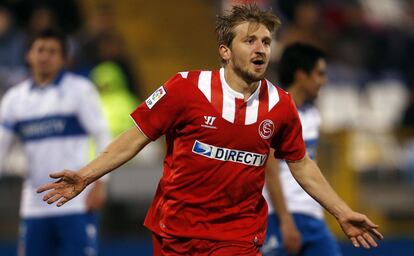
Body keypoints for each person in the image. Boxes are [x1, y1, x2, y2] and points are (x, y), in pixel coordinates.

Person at [37, 5, 383, 255]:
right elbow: (135, 137)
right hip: (175, 231)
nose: (260, 48)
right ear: (225, 52)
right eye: (249, 41)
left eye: (265, 41)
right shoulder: (185, 89)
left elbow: (301, 163)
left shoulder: (281, 106)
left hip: (237, 235)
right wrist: (85, 176)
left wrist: (341, 212)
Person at [0, 29, 110, 256]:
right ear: (28, 55)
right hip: (33, 206)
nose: (45, 56)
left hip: (76, 203)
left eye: (52, 51)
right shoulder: (14, 99)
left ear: (63, 58)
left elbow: (102, 135)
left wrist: (101, 183)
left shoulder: (80, 90)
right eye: (40, 50)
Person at [262, 43, 342, 256]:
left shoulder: (312, 115)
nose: (323, 81)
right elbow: (270, 171)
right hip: (278, 216)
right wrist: (285, 220)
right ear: (300, 75)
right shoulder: (273, 111)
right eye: (319, 74)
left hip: (312, 216)